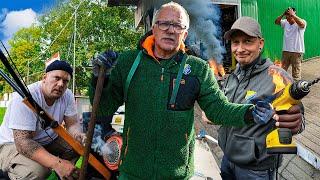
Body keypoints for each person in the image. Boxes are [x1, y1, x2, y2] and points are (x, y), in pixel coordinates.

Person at [89, 2, 274, 179]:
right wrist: (99, 78)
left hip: (177, 174)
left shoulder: (198, 69)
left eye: (178, 26)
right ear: (153, 29)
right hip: (132, 171)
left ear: (184, 34)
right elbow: (103, 107)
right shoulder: (129, 62)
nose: (170, 30)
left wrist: (250, 113)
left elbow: (218, 110)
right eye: (164, 24)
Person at [218, 16, 304, 179]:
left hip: (256, 170)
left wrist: (296, 122)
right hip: (227, 158)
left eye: (248, 41)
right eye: (235, 42)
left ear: (261, 43)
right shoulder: (233, 76)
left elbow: (299, 120)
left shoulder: (278, 77)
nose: (240, 49)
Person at [0, 60, 86, 179]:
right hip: (12, 144)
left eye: (65, 81)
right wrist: (56, 163)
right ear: (44, 77)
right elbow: (22, 142)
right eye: (56, 78)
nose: (61, 84)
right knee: (37, 172)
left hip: (45, 141)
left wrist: (78, 134)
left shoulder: (67, 95)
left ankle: (62, 174)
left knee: (77, 145)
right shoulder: (24, 97)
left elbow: (72, 124)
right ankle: (9, 173)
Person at [275, 7, 307, 81]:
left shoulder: (301, 22)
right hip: (286, 51)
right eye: (287, 18)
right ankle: (280, 88)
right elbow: (276, 21)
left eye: (290, 18)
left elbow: (302, 24)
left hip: (297, 52)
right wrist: (283, 14)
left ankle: (295, 90)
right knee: (281, 71)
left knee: (296, 75)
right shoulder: (286, 22)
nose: (288, 20)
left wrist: (293, 15)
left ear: (294, 15)